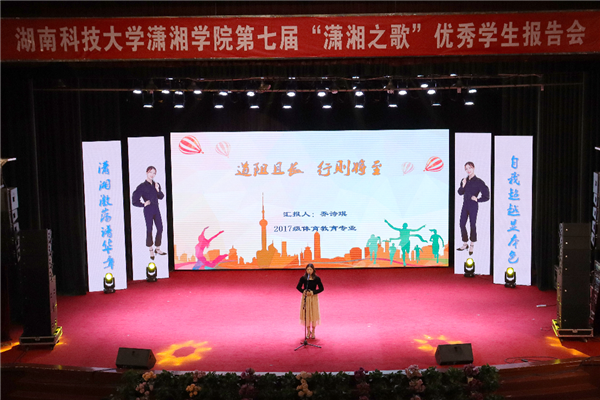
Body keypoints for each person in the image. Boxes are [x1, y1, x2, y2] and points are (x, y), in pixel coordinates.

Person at [132, 166, 166, 260]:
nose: (152, 174)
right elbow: (134, 200)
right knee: (149, 229)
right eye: (151, 172)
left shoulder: (156, 184)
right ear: (147, 172)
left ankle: (157, 248)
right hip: (148, 209)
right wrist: (143, 204)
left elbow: (161, 197)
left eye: (154, 173)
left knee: (160, 228)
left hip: (156, 208)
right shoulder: (142, 186)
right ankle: (151, 249)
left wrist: (157, 189)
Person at [457, 162, 490, 255]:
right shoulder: (464, 180)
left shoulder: (479, 182)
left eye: (470, 168)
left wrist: (478, 199)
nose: (468, 170)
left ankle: (472, 244)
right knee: (462, 223)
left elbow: (487, 196)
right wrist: (463, 185)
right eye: (466, 169)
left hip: (473, 205)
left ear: (473, 168)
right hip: (465, 205)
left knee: (472, 224)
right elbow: (460, 192)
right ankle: (465, 243)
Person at [296, 264, 324, 340]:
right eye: (307, 269)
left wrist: (313, 292)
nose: (309, 271)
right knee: (307, 314)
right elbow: (298, 287)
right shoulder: (303, 278)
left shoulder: (317, 278)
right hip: (306, 298)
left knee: (313, 314)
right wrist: (303, 291)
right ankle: (308, 331)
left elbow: (321, 288)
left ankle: (314, 331)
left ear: (313, 270)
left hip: (313, 298)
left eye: (310, 270)